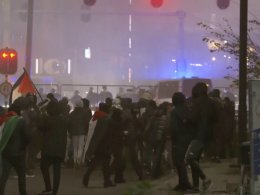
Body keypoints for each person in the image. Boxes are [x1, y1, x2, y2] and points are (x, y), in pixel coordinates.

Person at [184, 82, 217, 193]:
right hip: (208, 134)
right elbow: (216, 119)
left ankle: (205, 179)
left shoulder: (197, 103)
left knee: (190, 158)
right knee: (195, 160)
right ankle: (196, 187)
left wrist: (186, 118)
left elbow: (193, 118)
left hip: (198, 134)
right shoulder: (211, 103)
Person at [0, 97, 30, 195]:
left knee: (3, 176)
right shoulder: (20, 121)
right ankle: (23, 193)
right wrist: (23, 147)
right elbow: (27, 137)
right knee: (21, 175)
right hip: (19, 154)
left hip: (6, 153)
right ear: (18, 112)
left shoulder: (4, 121)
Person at [38, 101, 68, 195]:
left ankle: (48, 187)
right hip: (60, 148)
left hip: (48, 149)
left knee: (43, 166)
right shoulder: (64, 119)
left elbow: (40, 127)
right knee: (57, 170)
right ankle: (54, 191)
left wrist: (43, 113)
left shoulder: (47, 119)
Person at [82, 103, 114, 188]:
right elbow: (106, 133)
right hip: (105, 143)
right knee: (105, 163)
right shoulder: (106, 119)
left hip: (99, 144)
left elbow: (96, 135)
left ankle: (88, 175)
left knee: (97, 161)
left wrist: (91, 149)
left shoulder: (97, 118)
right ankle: (106, 181)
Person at [170, 92, 193, 191]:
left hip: (178, 140)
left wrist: (172, 137)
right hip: (188, 139)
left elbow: (174, 128)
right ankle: (183, 183)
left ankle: (183, 183)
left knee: (178, 162)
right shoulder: (188, 110)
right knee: (183, 162)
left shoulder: (174, 112)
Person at [68, 99, 89, 168]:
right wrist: (86, 131)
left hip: (74, 132)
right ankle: (78, 161)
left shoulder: (72, 113)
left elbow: (70, 124)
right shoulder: (85, 113)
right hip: (82, 132)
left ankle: (74, 162)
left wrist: (70, 132)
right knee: (80, 147)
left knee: (75, 147)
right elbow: (86, 123)